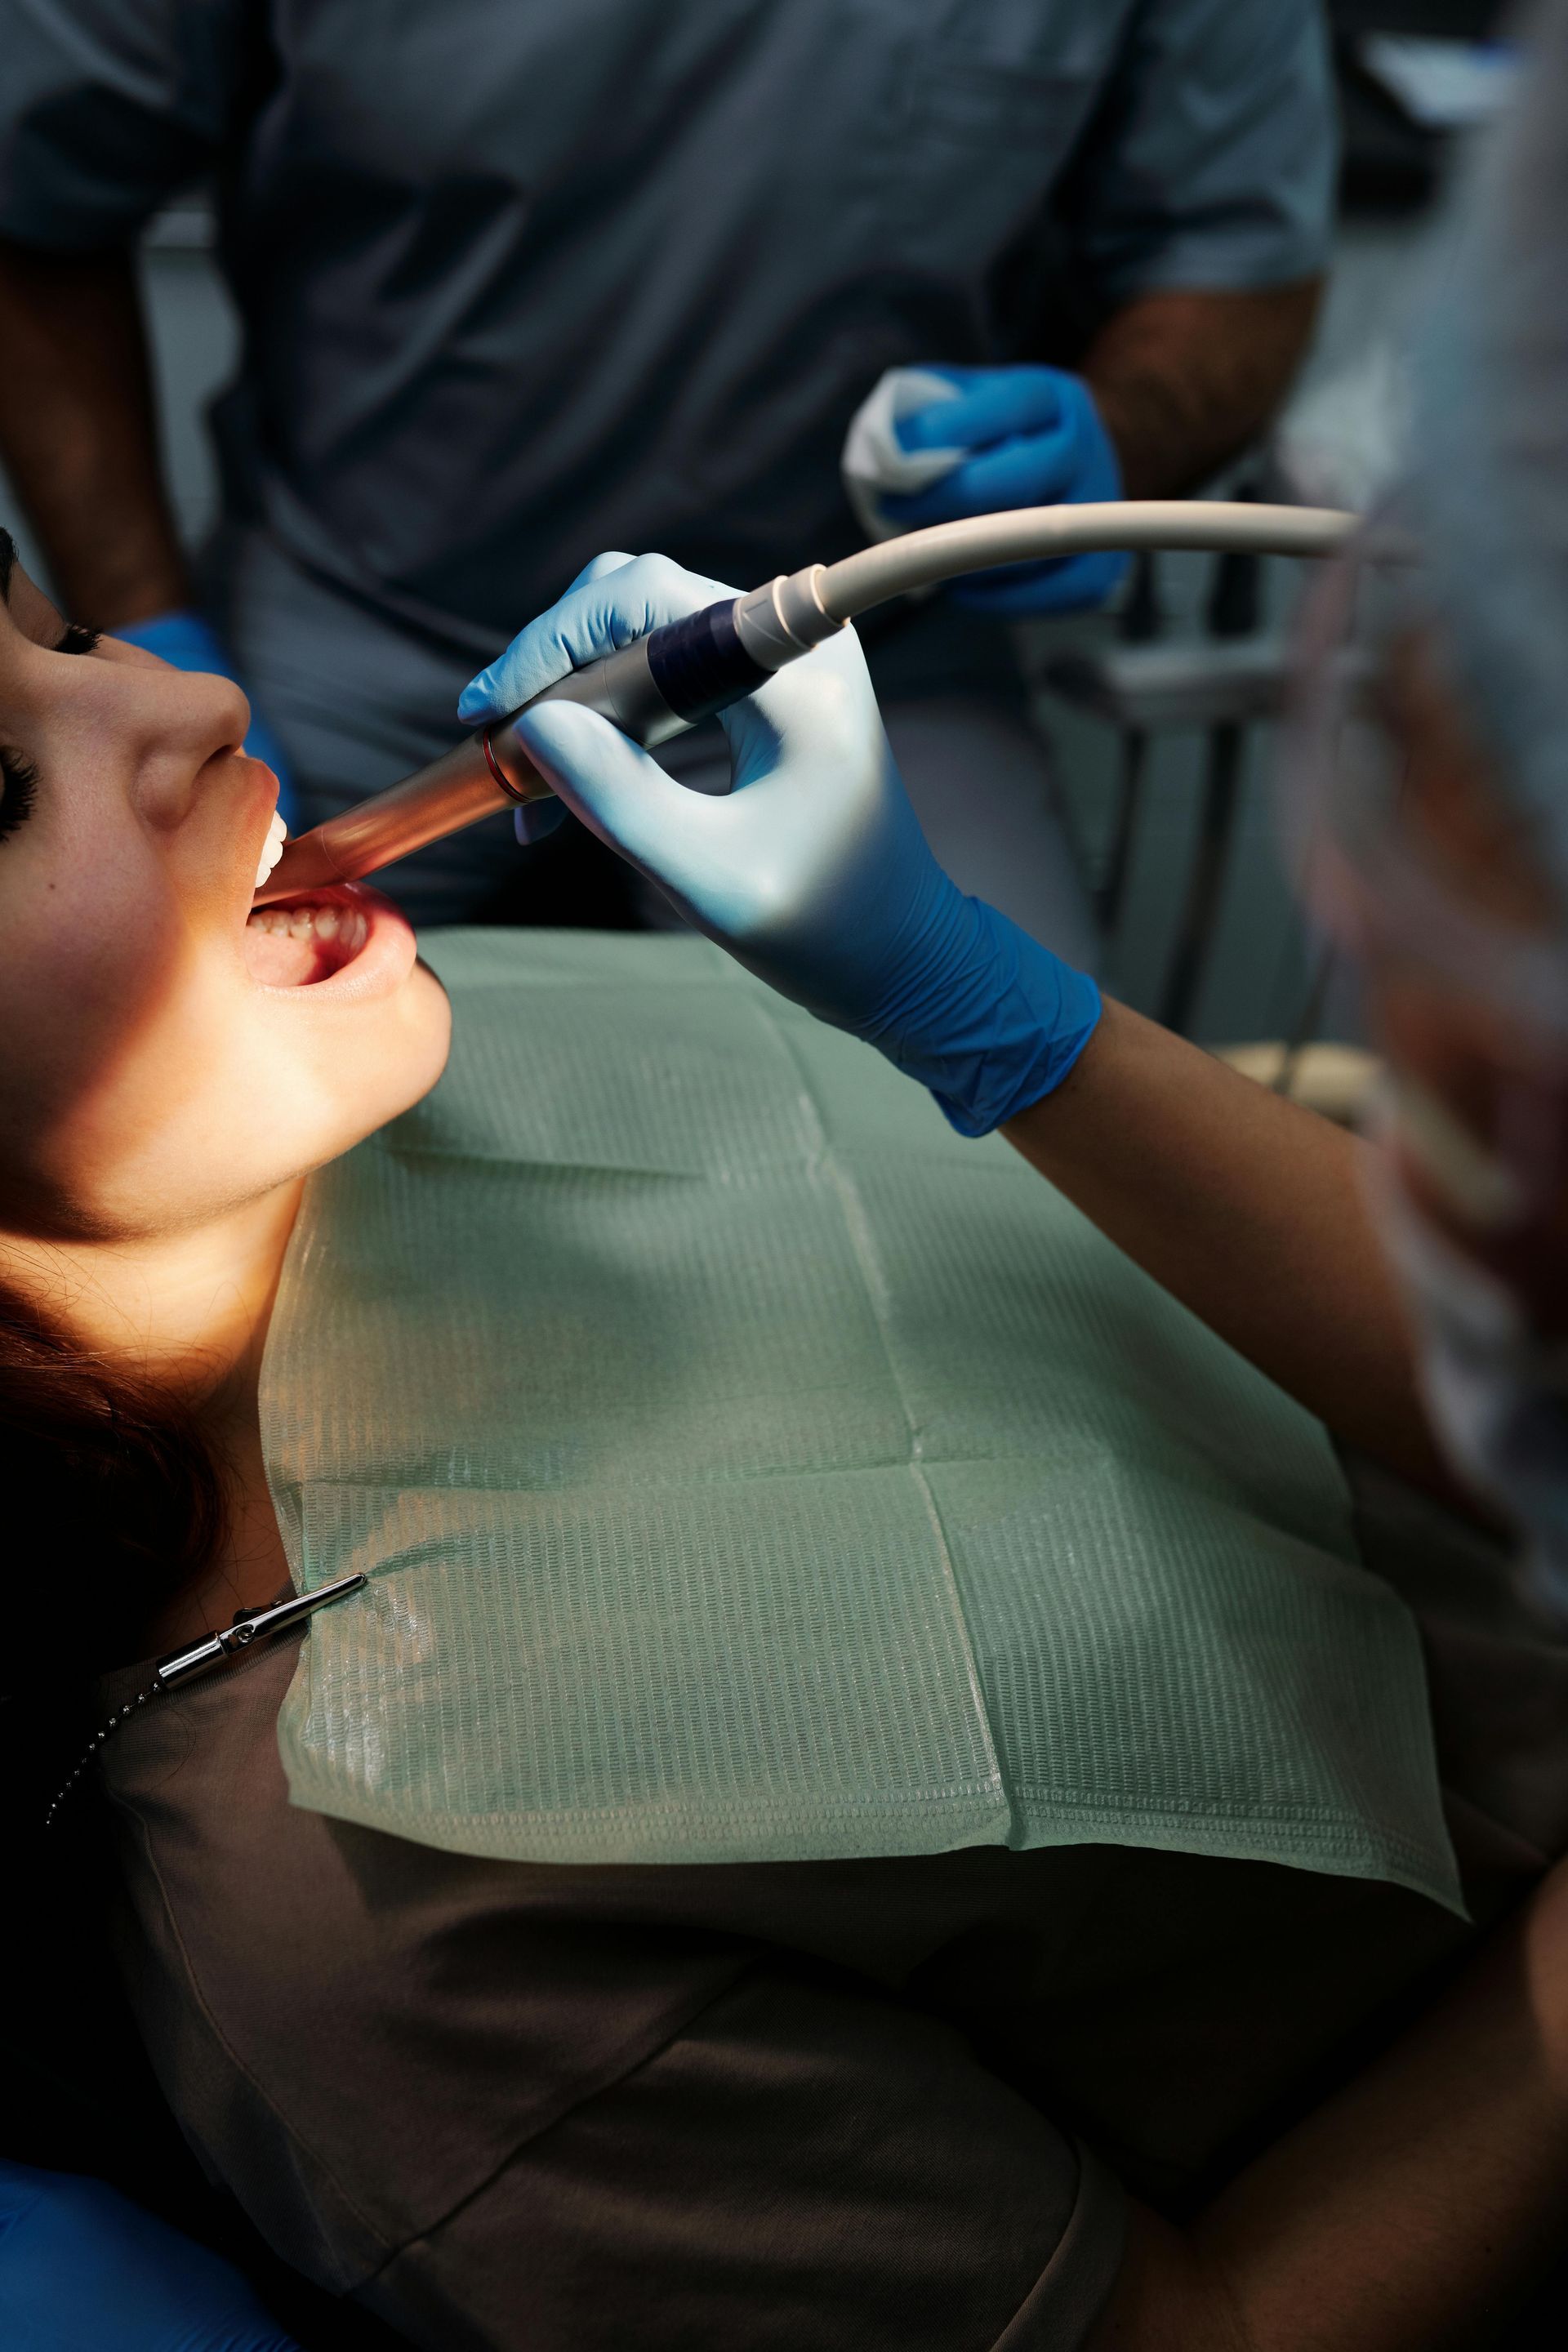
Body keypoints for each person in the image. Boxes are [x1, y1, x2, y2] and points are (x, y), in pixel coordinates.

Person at [0, 0, 1332, 944]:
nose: (159, 727)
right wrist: (149, 628)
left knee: (1003, 1185)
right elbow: (32, 207)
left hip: (875, 644)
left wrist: (1119, 429)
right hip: (357, 610)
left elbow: (1239, 261)